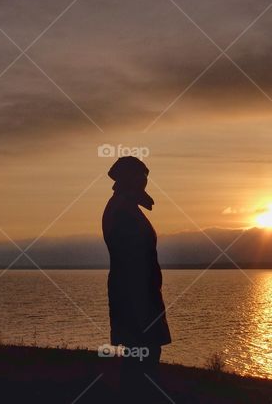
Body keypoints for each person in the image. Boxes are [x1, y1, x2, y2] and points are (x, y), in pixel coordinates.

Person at [102, 156, 171, 400]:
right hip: (135, 294)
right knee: (142, 355)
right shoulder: (121, 210)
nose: (144, 182)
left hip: (142, 292)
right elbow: (131, 255)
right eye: (140, 177)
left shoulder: (127, 207)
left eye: (145, 178)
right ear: (128, 179)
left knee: (145, 354)